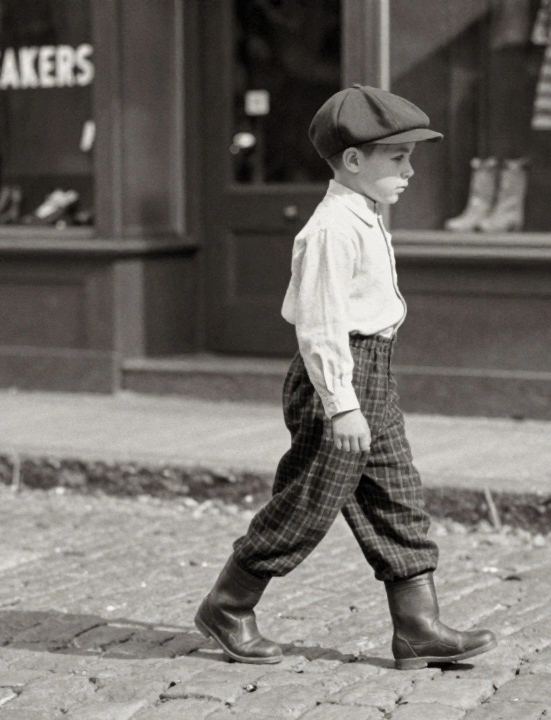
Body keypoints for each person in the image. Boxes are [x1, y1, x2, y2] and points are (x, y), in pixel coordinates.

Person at [194, 84, 498, 671]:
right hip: (338, 379)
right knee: (308, 500)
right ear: (354, 160)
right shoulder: (331, 229)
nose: (410, 170)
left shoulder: (366, 216)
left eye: (411, 157)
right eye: (398, 158)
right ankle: (228, 604)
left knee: (398, 498)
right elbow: (321, 324)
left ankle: (417, 628)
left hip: (373, 377)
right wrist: (342, 403)